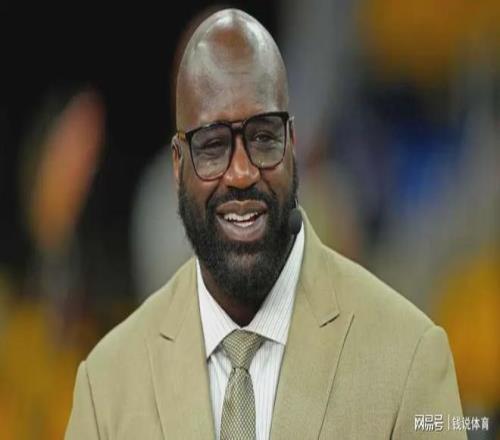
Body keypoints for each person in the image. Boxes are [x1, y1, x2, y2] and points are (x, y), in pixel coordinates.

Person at [66, 9, 465, 439]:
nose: (241, 172)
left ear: (292, 144)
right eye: (213, 144)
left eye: (262, 136)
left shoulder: (410, 359)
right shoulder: (106, 388)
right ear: (177, 164)